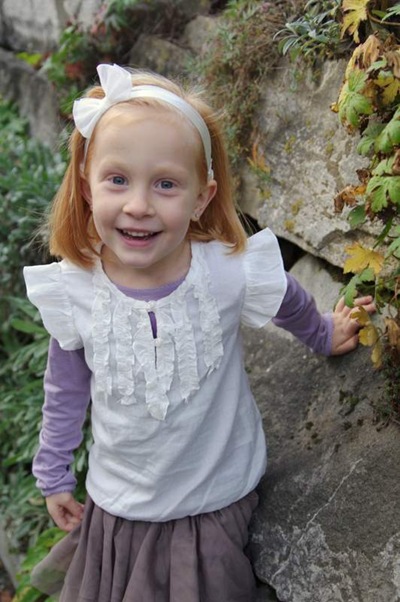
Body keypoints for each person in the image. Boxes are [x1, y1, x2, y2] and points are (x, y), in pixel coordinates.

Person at [23, 63, 375, 602]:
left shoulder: (224, 270)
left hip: (214, 497)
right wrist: (53, 474)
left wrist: (322, 334)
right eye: (117, 179)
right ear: (88, 185)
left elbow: (285, 296)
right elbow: (65, 389)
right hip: (120, 503)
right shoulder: (76, 289)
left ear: (202, 198)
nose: (138, 205)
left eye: (165, 184)